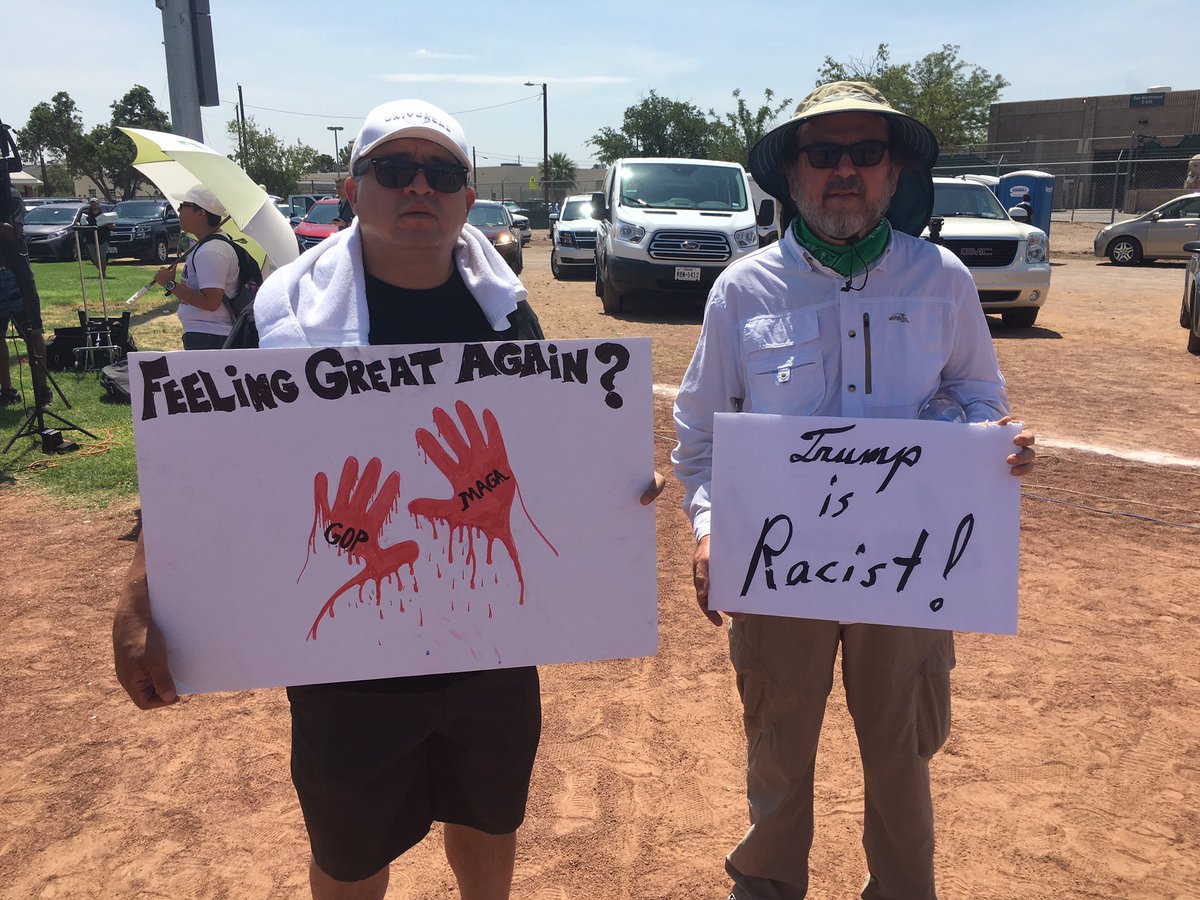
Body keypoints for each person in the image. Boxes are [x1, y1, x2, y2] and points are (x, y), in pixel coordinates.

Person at [114, 98, 663, 900]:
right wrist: (137, 592)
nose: (419, 187)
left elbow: (544, 462)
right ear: (352, 188)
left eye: (441, 173)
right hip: (344, 651)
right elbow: (194, 462)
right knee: (350, 846)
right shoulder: (281, 323)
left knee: (489, 818)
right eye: (393, 170)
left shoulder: (508, 319)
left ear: (467, 201)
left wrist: (604, 492)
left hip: (490, 639)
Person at [671, 81, 1037, 900]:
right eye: (823, 155)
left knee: (903, 750)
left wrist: (987, 451)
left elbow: (982, 396)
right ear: (792, 176)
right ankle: (765, 887)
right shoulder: (743, 290)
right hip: (779, 573)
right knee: (777, 746)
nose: (844, 171)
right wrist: (704, 531)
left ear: (894, 171)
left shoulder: (940, 279)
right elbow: (699, 437)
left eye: (864, 154)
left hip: (909, 576)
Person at [153, 186, 237, 350]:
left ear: (201, 213)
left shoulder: (211, 250)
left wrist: (170, 284)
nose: (179, 210)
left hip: (210, 337)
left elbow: (210, 302)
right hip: (205, 335)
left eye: (184, 206)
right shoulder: (206, 246)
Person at [0, 179, 50, 407]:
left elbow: (13, 234)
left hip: (16, 278)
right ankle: (7, 390)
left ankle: (42, 390)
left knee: (32, 333)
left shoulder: (10, 196)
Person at [79, 197, 114, 276]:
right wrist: (78, 224)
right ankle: (102, 271)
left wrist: (109, 225)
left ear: (98, 204)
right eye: (92, 204)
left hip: (103, 238)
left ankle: (102, 273)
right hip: (90, 239)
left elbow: (113, 226)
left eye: (95, 203)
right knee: (95, 258)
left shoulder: (104, 214)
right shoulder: (85, 214)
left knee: (102, 256)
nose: (94, 205)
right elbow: (78, 223)